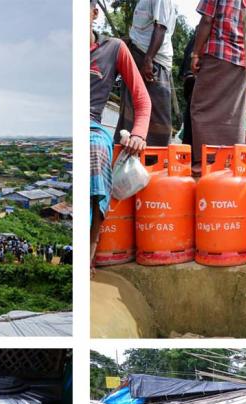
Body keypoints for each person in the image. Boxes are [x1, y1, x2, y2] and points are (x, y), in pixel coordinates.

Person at [90, 0, 150, 273]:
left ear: (93, 13)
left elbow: (142, 99)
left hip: (91, 125)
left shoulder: (113, 48)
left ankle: (89, 248)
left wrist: (138, 133)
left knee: (94, 152)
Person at [189, 0, 246, 175]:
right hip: (242, 63)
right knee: (235, 114)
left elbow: (206, 21)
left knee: (202, 107)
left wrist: (195, 53)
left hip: (216, 56)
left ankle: (205, 162)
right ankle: (230, 162)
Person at [117, 0, 177, 147]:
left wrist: (148, 59)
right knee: (131, 111)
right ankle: (127, 155)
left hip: (152, 62)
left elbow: (160, 28)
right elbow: (141, 30)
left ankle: (156, 159)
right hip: (138, 56)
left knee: (156, 118)